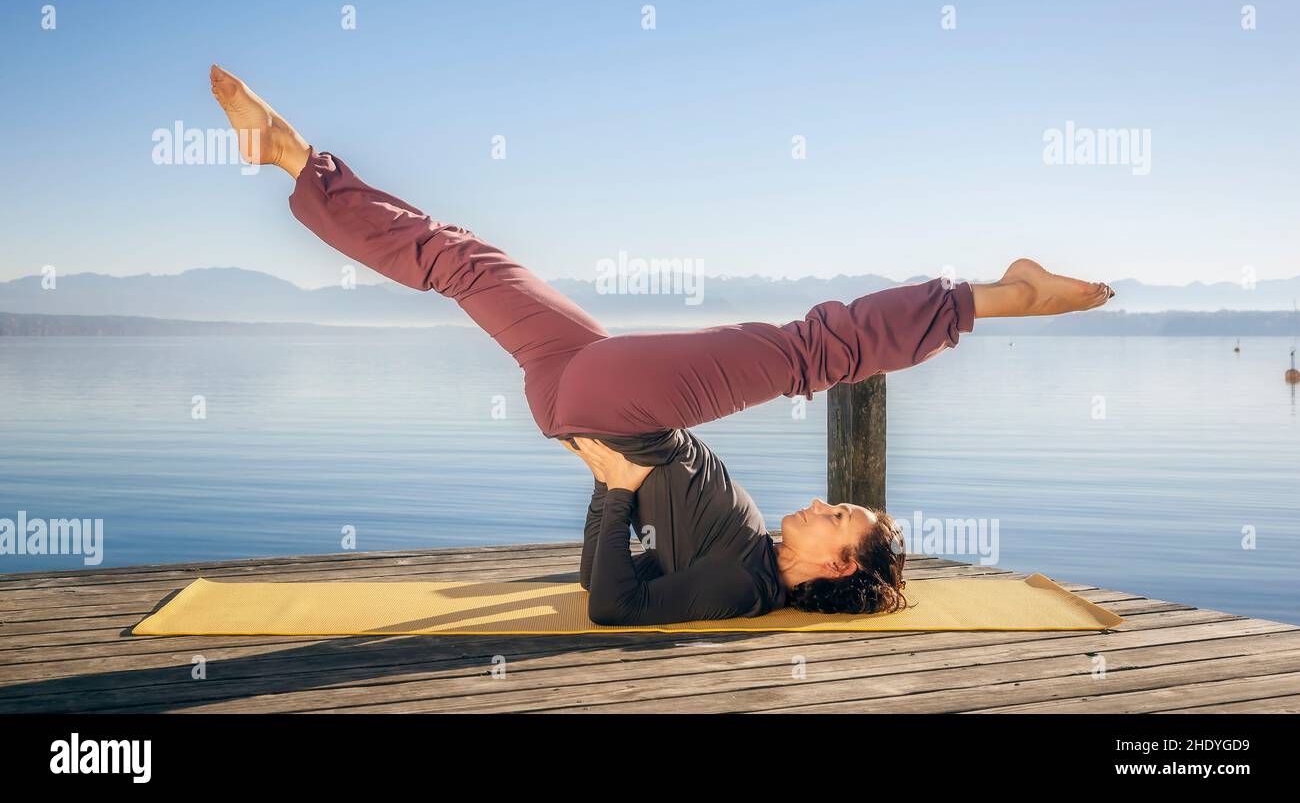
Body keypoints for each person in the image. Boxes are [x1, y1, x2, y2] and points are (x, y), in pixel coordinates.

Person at [210, 65, 1114, 625]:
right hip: (583, 397)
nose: (829, 503)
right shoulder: (750, 553)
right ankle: (294, 160)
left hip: (616, 412)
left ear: (839, 563)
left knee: (809, 350)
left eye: (845, 517)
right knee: (462, 260)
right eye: (846, 504)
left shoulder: (745, 587)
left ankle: (995, 299)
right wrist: (609, 487)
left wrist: (609, 494)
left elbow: (612, 608)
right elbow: (621, 580)